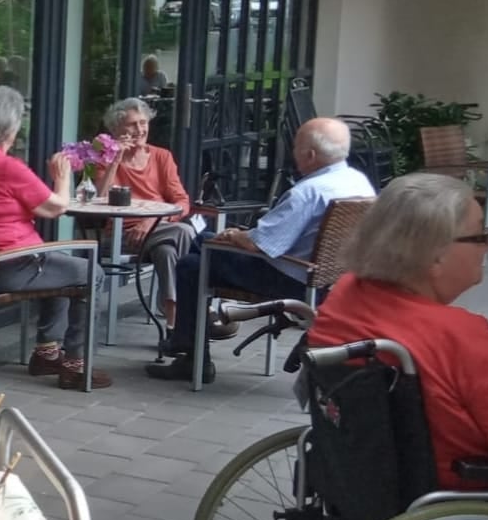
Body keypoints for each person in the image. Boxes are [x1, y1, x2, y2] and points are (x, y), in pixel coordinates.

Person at [309, 173, 488, 520]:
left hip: (368, 483)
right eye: (479, 235)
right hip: (466, 503)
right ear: (434, 256)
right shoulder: (457, 336)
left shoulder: (347, 294)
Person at [148, 117, 374, 383]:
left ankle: (189, 348)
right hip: (326, 280)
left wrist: (234, 235)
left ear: (310, 155)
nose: (292, 153)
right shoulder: (358, 182)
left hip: (287, 277)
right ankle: (192, 340)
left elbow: (262, 244)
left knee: (195, 257)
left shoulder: (307, 192)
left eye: (296, 147)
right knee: (194, 266)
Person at [0, 86, 110, 390]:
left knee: (61, 268)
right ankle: (76, 365)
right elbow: (56, 208)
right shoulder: (7, 167)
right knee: (90, 273)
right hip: (8, 268)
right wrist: (62, 177)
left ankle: (48, 353)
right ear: (9, 128)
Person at [93, 98, 194, 330]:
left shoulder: (161, 157)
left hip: (159, 231)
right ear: (117, 129)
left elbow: (182, 202)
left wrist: (150, 222)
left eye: (143, 122)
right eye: (132, 124)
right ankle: (193, 312)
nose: (140, 129)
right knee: (185, 231)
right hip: (121, 235)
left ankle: (173, 322)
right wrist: (115, 159)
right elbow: (100, 197)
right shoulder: (106, 159)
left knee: (167, 251)